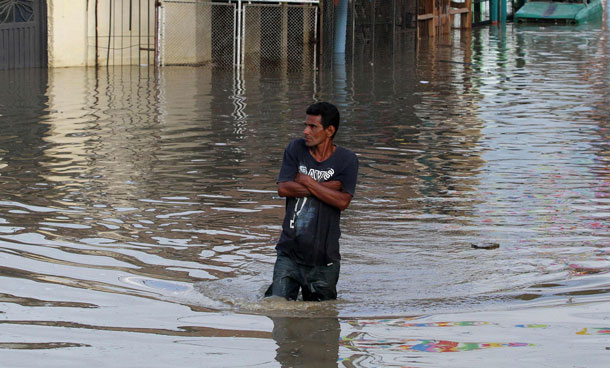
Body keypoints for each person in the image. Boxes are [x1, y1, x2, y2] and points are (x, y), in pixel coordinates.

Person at [265, 102, 358, 301]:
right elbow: (283, 189)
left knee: (322, 320)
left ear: (330, 131)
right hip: (289, 253)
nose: (306, 131)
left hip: (325, 259)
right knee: (276, 309)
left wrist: (307, 180)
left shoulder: (347, 159)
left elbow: (343, 202)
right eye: (306, 125)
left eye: (313, 127)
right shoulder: (295, 149)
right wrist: (328, 187)